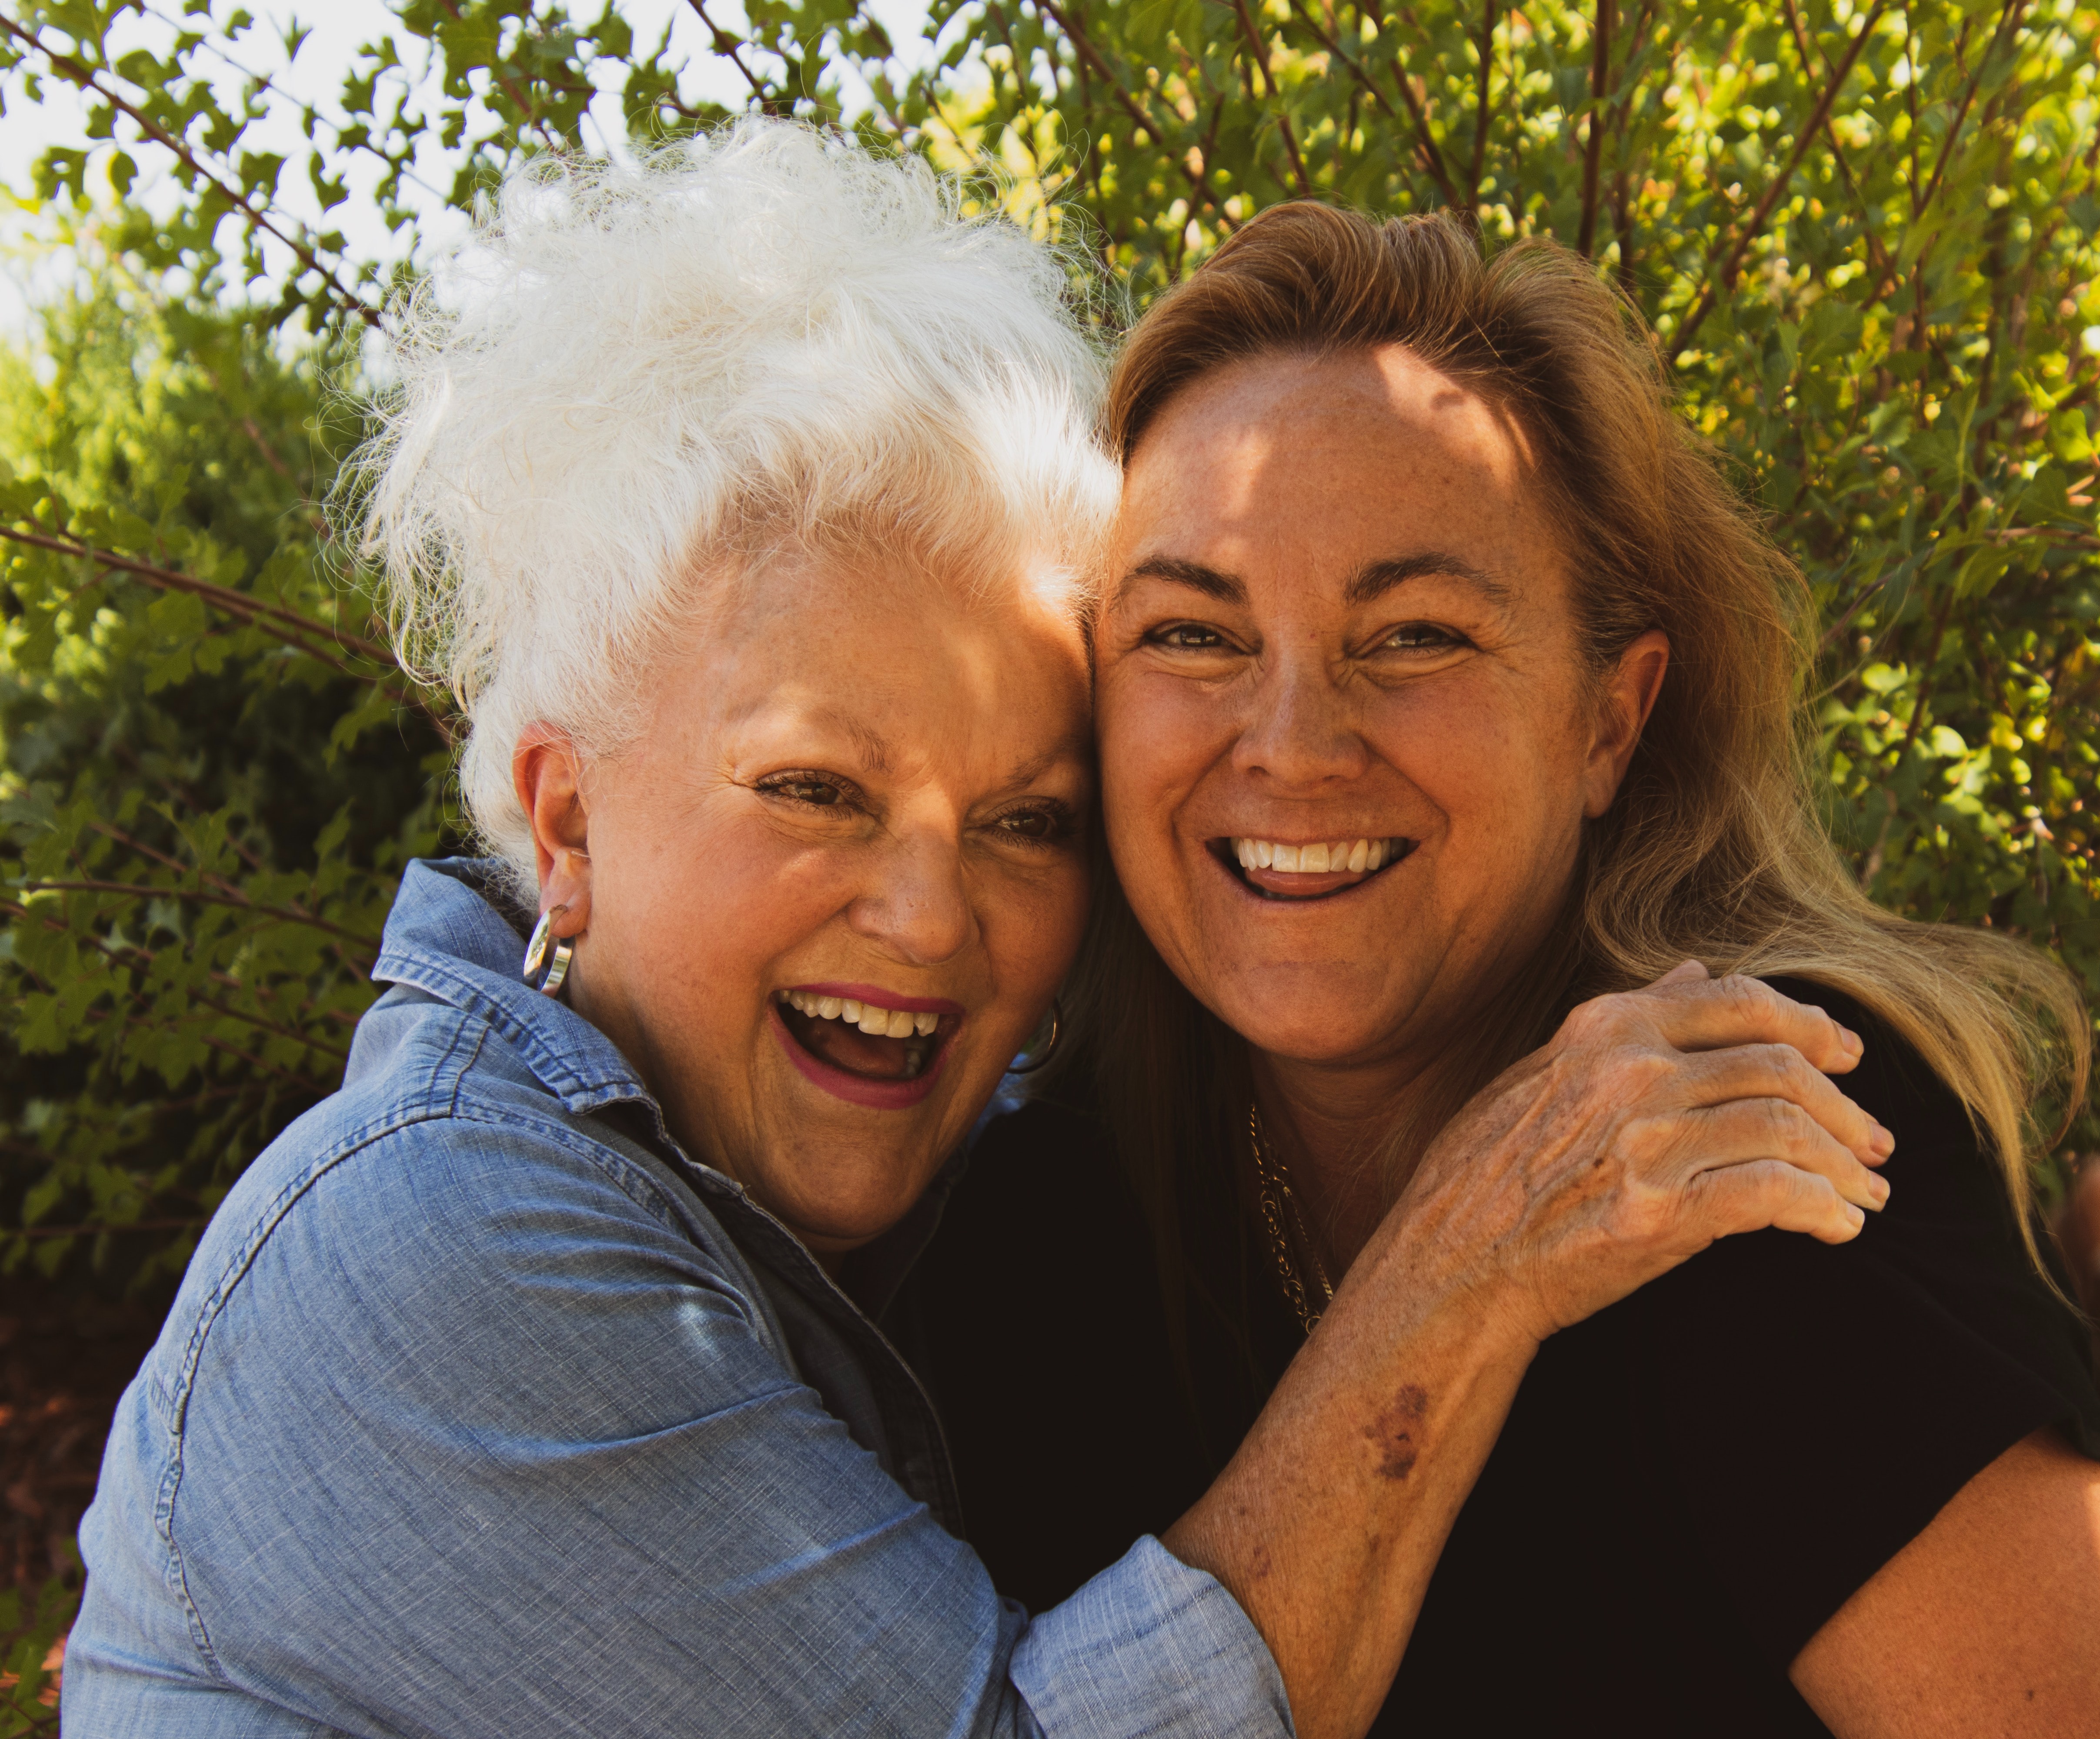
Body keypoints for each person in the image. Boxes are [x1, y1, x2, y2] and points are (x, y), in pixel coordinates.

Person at [62, 130, 1900, 1739]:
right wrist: (1466, 1259)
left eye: (1026, 819)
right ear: (563, 817)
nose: (934, 920)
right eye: (813, 790)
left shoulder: (909, 1216)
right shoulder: (436, 1245)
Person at [887, 204, 2100, 1736]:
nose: (1293, 745)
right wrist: (1458, 1269)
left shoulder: (1751, 1146)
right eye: (1193, 635)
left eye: (1415, 637)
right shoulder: (1028, 1230)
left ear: (1610, 721)